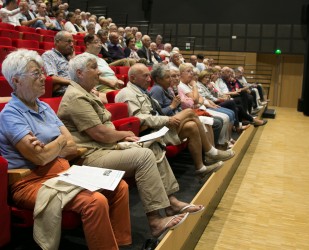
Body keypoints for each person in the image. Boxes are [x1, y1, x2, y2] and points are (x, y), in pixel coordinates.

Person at [58, 53, 201, 238]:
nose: (99, 71)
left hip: (104, 148)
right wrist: (124, 134)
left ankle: (171, 202)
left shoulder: (85, 94)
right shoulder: (76, 97)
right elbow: (100, 133)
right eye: (93, 67)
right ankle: (155, 220)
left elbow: (102, 132)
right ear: (79, 72)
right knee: (144, 156)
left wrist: (119, 138)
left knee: (151, 145)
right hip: (89, 156)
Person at [0, 49, 132, 249]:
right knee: (94, 201)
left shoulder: (43, 106)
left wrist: (54, 145)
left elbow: (71, 146)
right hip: (30, 181)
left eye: (42, 72)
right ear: (16, 80)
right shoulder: (10, 115)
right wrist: (59, 143)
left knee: (119, 186)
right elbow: (39, 157)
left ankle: (120, 243)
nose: (44, 78)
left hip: (63, 171)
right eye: (36, 74)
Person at [115, 63, 235, 176]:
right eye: (145, 76)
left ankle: (201, 168)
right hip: (150, 132)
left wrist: (168, 117)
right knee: (189, 112)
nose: (148, 79)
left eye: (149, 75)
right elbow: (139, 118)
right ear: (132, 78)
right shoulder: (128, 93)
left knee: (192, 126)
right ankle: (210, 152)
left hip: (159, 127)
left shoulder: (143, 91)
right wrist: (167, 118)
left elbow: (156, 112)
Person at [83, 34, 124, 103]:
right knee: (125, 98)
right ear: (88, 44)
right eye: (96, 42)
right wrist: (109, 82)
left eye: (100, 42)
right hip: (103, 87)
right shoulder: (85, 57)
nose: (99, 44)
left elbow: (109, 73)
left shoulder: (101, 59)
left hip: (113, 86)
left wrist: (117, 81)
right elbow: (90, 75)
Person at [42, 31, 74, 97]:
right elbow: (51, 78)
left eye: (72, 42)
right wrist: (73, 83)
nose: (72, 44)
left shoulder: (68, 57)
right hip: (64, 91)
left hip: (74, 88)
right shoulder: (49, 55)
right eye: (68, 41)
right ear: (57, 42)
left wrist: (72, 60)